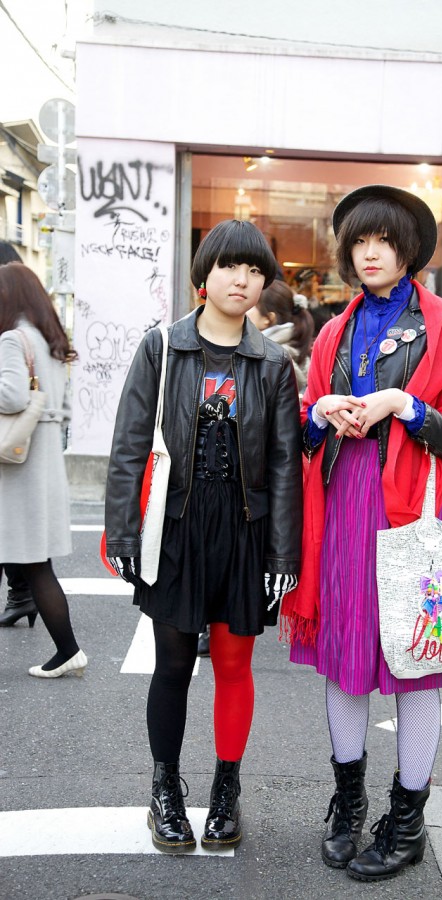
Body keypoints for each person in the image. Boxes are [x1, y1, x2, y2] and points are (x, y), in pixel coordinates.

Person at [281, 185, 442, 882]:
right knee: (344, 658)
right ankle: (347, 801)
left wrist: (404, 404)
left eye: (385, 241)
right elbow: (305, 424)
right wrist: (322, 411)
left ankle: (407, 819)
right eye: (360, 241)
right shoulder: (333, 329)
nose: (370, 252)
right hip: (341, 509)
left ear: (408, 252)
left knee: (414, 661)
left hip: (414, 517)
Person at [104, 219, 303, 854]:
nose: (241, 280)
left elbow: (281, 466)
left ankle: (225, 789)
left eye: (254, 271)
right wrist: (123, 534)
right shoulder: (162, 347)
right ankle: (164, 788)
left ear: (264, 284)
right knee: (171, 665)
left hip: (243, 531)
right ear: (203, 275)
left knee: (235, 664)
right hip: (177, 524)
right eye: (228, 267)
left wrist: (282, 553)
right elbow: (130, 444)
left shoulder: (273, 364)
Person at [0, 262, 86, 676]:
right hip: (43, 463)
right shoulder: (50, 342)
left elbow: (13, 396)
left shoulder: (12, 340)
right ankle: (67, 651)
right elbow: (64, 408)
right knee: (36, 562)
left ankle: (69, 651)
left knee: (34, 564)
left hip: (17, 469)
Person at [0, 241, 36, 626]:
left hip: (13, 443)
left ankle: (23, 593)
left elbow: (12, 395)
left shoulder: (14, 330)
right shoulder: (39, 322)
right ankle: (22, 594)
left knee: (14, 532)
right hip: (22, 444)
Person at [246, 279, 314, 393]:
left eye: (251, 305)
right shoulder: (284, 347)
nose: (244, 310)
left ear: (268, 318)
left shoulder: (272, 355)